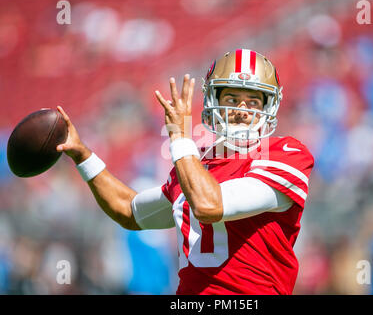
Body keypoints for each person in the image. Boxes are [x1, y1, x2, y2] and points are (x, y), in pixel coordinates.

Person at [56, 49, 314, 295]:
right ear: (214, 100)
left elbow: (209, 205)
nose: (241, 111)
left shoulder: (286, 154)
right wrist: (83, 155)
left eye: (253, 101)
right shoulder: (196, 165)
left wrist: (179, 138)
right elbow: (129, 211)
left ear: (268, 107)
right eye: (232, 99)